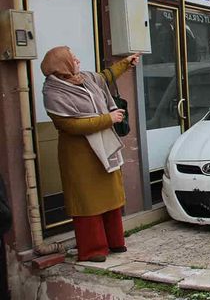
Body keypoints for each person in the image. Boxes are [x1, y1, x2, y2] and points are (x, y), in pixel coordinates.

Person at [41, 46, 141, 262]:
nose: (77, 60)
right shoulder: (53, 92)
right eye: (72, 58)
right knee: (88, 201)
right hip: (80, 155)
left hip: (104, 146)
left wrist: (126, 62)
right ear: (62, 65)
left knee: (110, 196)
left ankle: (115, 241)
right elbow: (70, 125)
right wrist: (108, 119)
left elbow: (105, 76)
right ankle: (93, 249)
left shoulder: (85, 78)